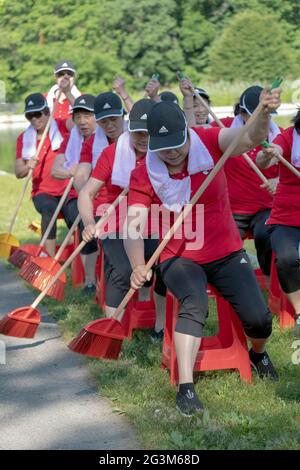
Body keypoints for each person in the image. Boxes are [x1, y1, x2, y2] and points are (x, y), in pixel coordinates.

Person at [124, 85, 281, 417]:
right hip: (179, 256)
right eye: (164, 149)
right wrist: (138, 264)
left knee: (259, 319)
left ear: (187, 132)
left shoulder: (209, 142)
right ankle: (186, 387)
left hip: (225, 249)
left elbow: (248, 139)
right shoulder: (144, 174)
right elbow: (133, 224)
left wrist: (264, 112)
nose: (173, 154)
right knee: (194, 302)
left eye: (178, 145)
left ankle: (257, 353)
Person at [78, 99, 166, 339]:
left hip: (154, 220)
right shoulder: (113, 153)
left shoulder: (165, 152)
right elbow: (86, 193)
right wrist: (88, 223)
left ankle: (159, 326)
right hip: (113, 221)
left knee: (168, 264)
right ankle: (111, 332)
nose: (143, 138)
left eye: (148, 133)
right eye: (138, 132)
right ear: (130, 128)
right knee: (124, 269)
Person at [211, 86, 280, 279]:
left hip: (265, 208)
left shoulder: (279, 135)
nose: (262, 120)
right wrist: (190, 101)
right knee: (225, 241)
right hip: (230, 209)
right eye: (256, 115)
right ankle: (235, 282)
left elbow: (293, 169)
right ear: (242, 113)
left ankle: (268, 280)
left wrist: (279, 180)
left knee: (267, 234)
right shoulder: (223, 128)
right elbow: (194, 133)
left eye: (266, 115)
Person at [256, 109, 300, 336]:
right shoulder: (289, 136)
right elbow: (263, 160)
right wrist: (270, 153)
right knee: (286, 258)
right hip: (287, 216)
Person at [51, 94, 98, 292]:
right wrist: (72, 171)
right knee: (78, 218)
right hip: (75, 195)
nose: (82, 121)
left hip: (102, 195)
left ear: (96, 116)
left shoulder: (105, 138)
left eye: (87, 116)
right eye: (77, 117)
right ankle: (89, 280)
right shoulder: (71, 139)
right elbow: (55, 170)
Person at [15, 93, 71, 257]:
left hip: (67, 189)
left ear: (47, 112)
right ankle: (49, 259)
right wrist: (28, 166)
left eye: (37, 114)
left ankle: (79, 259)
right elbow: (18, 172)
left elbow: (81, 121)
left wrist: (67, 91)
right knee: (49, 209)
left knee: (76, 215)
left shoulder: (60, 126)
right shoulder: (24, 138)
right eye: (29, 115)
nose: (34, 119)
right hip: (42, 192)